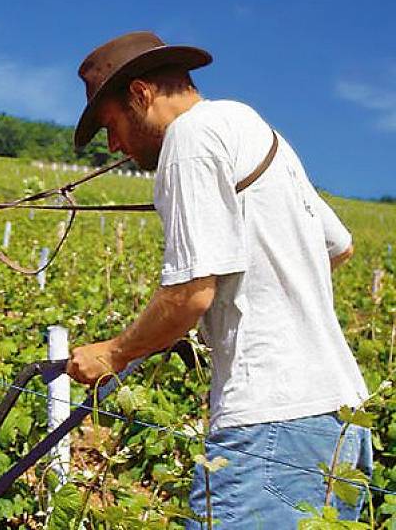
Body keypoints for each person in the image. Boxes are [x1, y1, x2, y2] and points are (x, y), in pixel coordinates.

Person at [65, 31, 372, 527]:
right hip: (341, 423)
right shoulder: (252, 128)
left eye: (111, 125)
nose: (114, 145)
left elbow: (190, 292)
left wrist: (115, 352)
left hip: (271, 421)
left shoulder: (190, 138)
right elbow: (339, 246)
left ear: (141, 95)